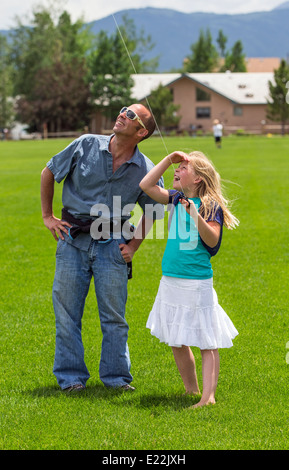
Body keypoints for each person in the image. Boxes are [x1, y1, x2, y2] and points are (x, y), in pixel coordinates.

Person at [41, 104, 164, 393]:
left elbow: (155, 210)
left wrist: (133, 246)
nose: (122, 114)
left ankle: (117, 379)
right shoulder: (85, 144)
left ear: (141, 132)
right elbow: (49, 171)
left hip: (113, 246)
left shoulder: (146, 169)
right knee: (67, 314)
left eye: (131, 115)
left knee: (114, 317)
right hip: (73, 241)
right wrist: (48, 217)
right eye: (124, 110)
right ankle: (71, 379)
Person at [139, 150, 239, 408]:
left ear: (197, 179)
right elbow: (146, 185)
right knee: (176, 338)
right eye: (178, 167)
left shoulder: (209, 206)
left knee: (207, 339)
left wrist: (194, 214)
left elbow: (212, 240)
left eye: (184, 168)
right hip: (171, 279)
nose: (177, 170)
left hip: (196, 283)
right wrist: (168, 159)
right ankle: (191, 390)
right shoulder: (175, 198)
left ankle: (208, 397)